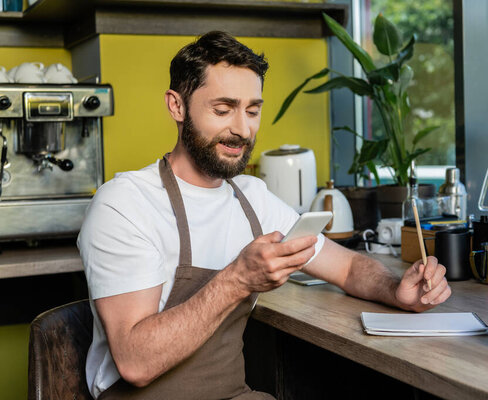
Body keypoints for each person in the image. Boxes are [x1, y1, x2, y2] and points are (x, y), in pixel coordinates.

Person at [78, 31, 452, 400]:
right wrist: (237, 279)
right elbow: (135, 363)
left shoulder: (251, 197)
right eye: (223, 110)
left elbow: (349, 269)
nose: (242, 129)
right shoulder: (125, 204)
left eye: (252, 110)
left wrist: (397, 290)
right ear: (177, 106)